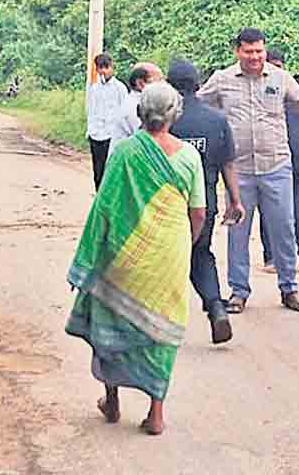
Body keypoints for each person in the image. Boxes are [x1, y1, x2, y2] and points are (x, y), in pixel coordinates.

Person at [65, 82, 240, 436]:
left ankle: (111, 399)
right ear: (175, 114)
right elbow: (198, 213)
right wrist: (183, 245)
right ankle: (156, 413)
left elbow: (104, 207)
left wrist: (88, 257)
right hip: (170, 254)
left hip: (122, 253)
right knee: (163, 325)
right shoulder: (189, 157)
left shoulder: (125, 154)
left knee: (110, 316)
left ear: (140, 113)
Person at [198, 28, 299, 315]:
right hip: (237, 170)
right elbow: (194, 107)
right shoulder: (222, 80)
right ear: (237, 51)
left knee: (283, 229)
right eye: (249, 51)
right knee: (237, 231)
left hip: (276, 167)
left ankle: (289, 289)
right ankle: (238, 292)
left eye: (259, 51)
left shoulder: (281, 79)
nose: (255, 57)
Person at [166, 60, 241, 345]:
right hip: (203, 203)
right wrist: (235, 200)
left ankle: (158, 323)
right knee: (201, 254)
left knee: (163, 260)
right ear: (198, 84)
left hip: (165, 204)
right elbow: (228, 164)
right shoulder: (217, 120)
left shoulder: (162, 119)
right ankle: (216, 307)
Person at [258, 50, 299, 273]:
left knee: (271, 207)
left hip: (276, 158)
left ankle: (272, 258)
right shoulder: (296, 93)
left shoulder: (262, 95)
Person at [85, 53, 127, 190]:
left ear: (112, 67)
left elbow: (124, 112)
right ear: (96, 70)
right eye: (100, 68)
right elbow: (91, 110)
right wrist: (90, 131)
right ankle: (99, 200)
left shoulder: (120, 88)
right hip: (96, 134)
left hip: (112, 136)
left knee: (112, 171)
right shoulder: (94, 89)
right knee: (98, 171)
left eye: (106, 67)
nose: (104, 71)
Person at [109, 62, 163, 148]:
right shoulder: (132, 107)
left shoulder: (140, 102)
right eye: (159, 81)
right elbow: (145, 139)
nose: (162, 85)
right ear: (141, 83)